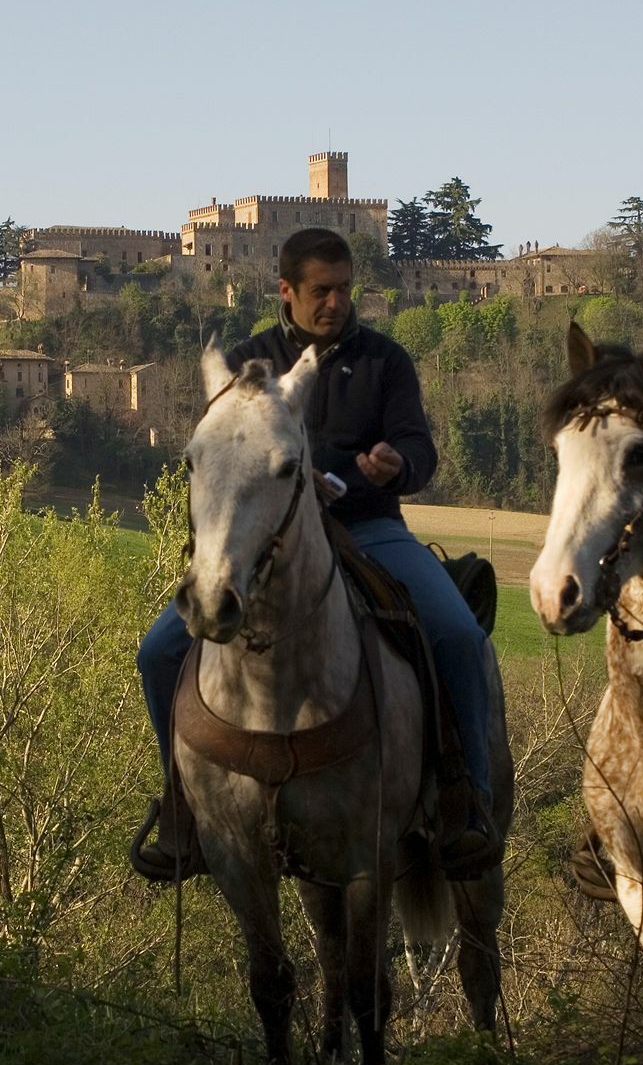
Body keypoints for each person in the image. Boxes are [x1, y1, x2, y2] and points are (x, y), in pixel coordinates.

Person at [129, 227, 501, 883]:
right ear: (286, 291)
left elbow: (420, 451)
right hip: (267, 539)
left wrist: (397, 465)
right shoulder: (250, 363)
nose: (335, 302)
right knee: (158, 651)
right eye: (320, 291)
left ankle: (463, 798)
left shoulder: (386, 361)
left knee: (458, 635)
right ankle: (181, 805)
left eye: (343, 289)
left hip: (370, 526)